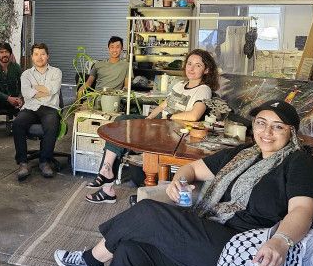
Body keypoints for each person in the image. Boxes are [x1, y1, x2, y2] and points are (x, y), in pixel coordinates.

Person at [54, 100, 313, 266]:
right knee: (130, 252)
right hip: (204, 235)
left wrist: (281, 240)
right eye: (261, 123)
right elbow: (193, 168)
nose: (267, 132)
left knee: (147, 211)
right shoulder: (244, 153)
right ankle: (99, 263)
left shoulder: (298, 162)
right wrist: (179, 179)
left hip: (239, 249)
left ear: (291, 132)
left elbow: (302, 209)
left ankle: (92, 259)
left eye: (277, 127)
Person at [86, 49, 219, 203]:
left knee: (122, 131)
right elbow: (164, 105)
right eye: (189, 63)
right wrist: (147, 119)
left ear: (206, 70)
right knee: (121, 122)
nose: (191, 68)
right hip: (159, 124)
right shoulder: (180, 85)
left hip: (173, 132)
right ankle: (107, 170)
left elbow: (194, 115)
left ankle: (106, 186)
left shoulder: (204, 89)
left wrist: (170, 116)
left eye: (198, 65)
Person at [12, 43, 62, 181]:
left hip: (49, 107)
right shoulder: (26, 74)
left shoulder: (56, 72)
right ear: (32, 57)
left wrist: (36, 89)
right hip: (30, 108)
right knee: (17, 124)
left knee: (52, 125)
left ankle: (44, 162)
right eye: (36, 54)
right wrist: (43, 90)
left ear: (48, 56)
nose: (39, 57)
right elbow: (26, 93)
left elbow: (53, 89)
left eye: (43, 54)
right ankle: (23, 163)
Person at [0, 42, 23, 141]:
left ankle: (25, 128)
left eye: (6, 52)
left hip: (14, 102)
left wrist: (20, 97)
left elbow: (23, 84)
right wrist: (7, 98)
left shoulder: (16, 67)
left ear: (10, 53)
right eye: (1, 52)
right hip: (0, 102)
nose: (4, 54)